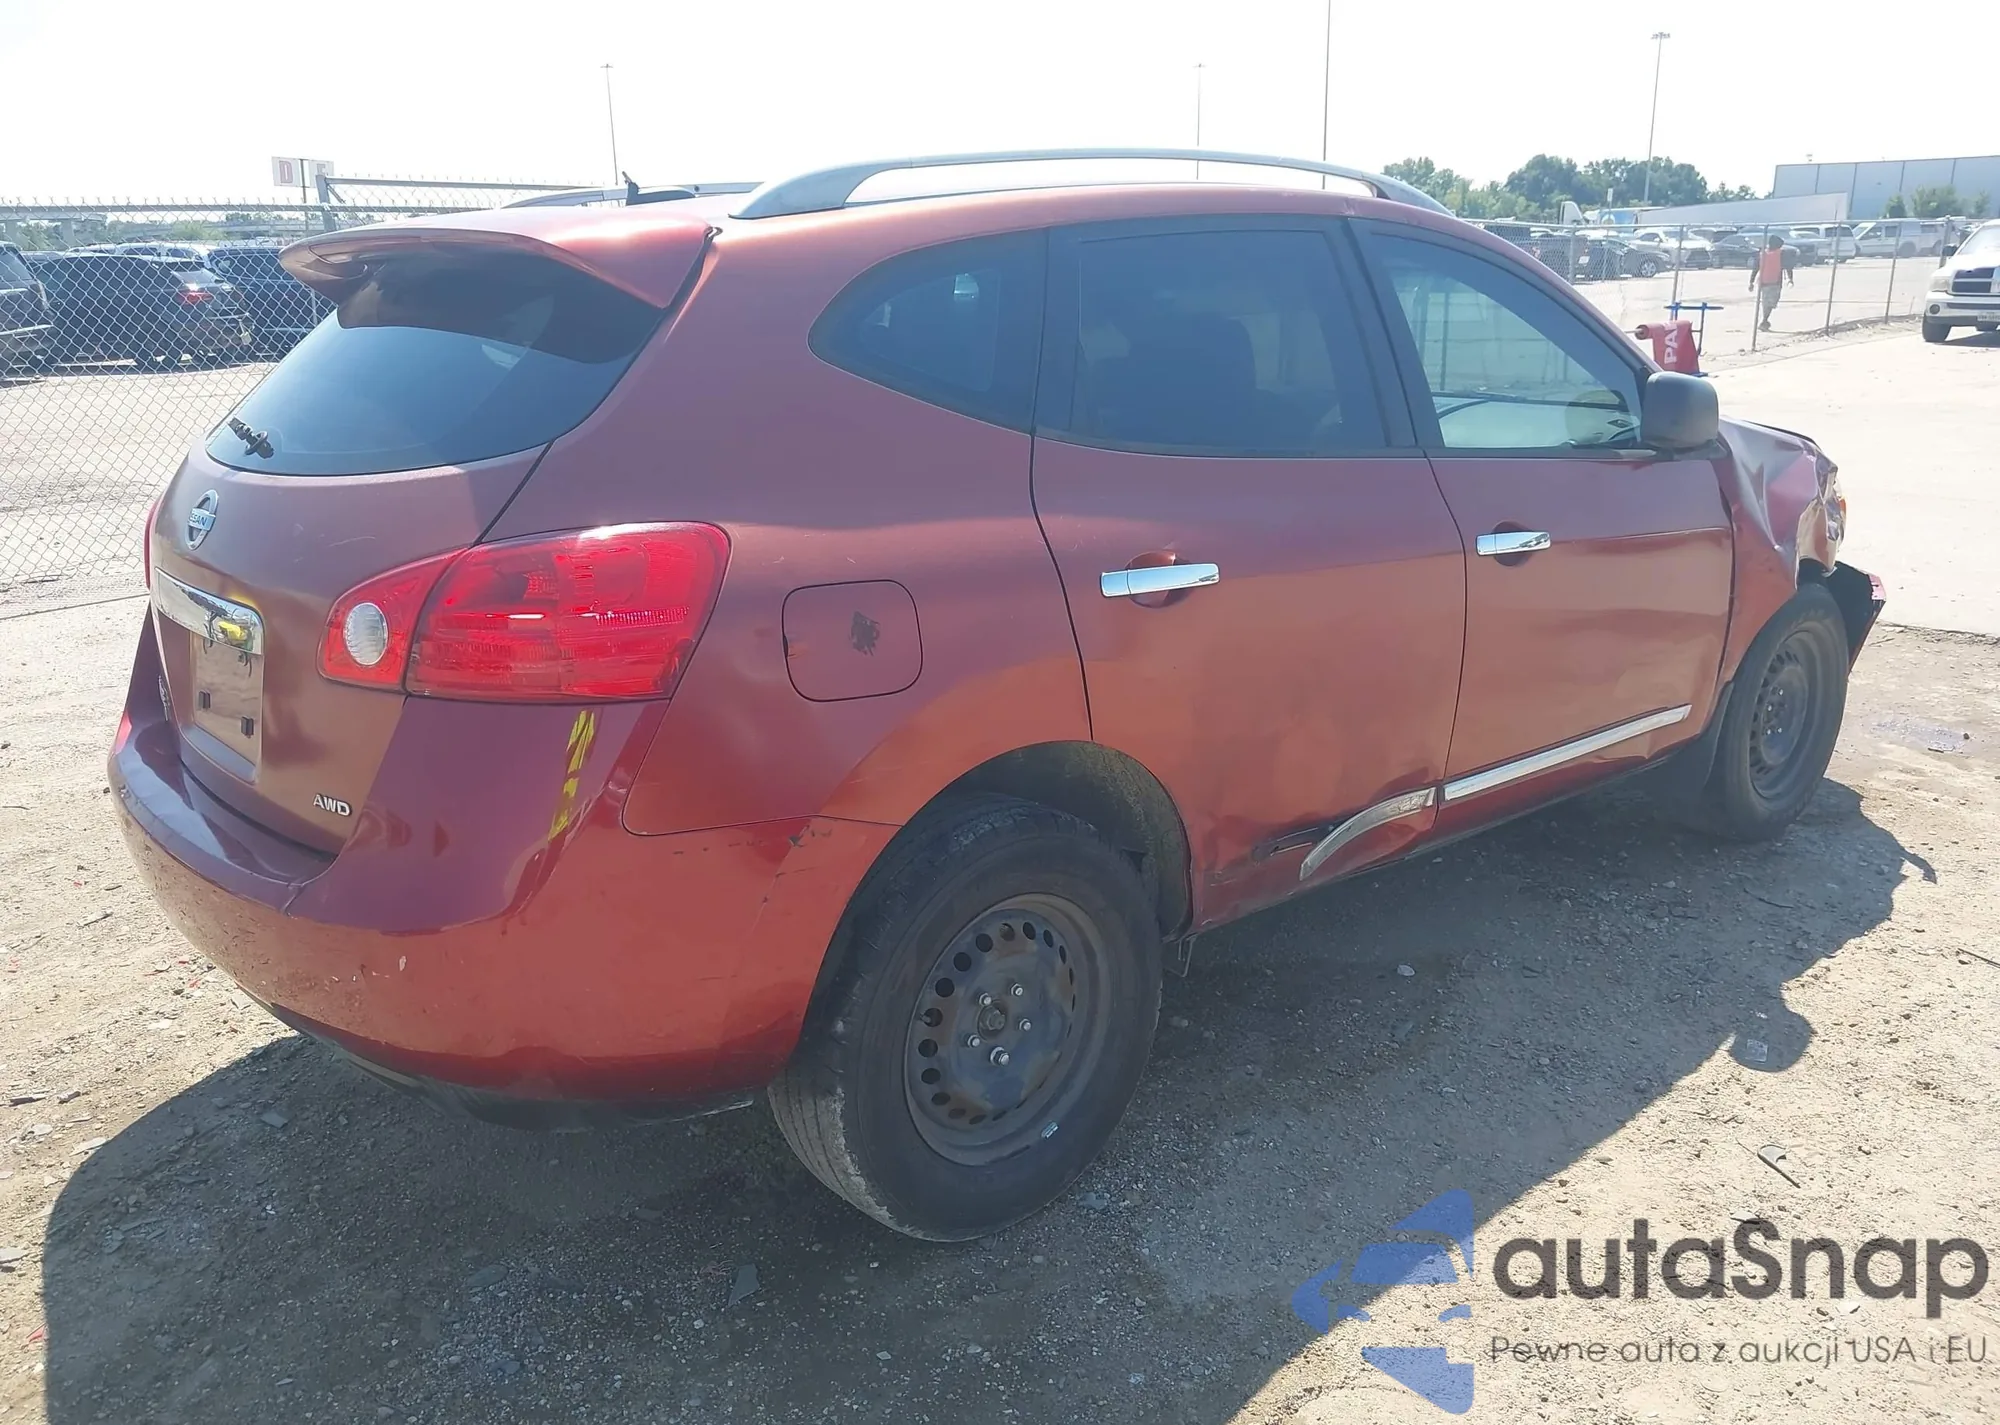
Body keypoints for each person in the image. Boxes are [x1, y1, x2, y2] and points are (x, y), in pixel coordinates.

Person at [1749, 232, 1794, 330]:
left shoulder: (1763, 254)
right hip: (1774, 282)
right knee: (1770, 303)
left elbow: (1755, 268)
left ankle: (1765, 321)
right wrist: (1790, 278)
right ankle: (1764, 321)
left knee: (1767, 303)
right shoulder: (1780, 254)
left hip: (1764, 282)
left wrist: (1751, 282)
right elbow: (1788, 266)